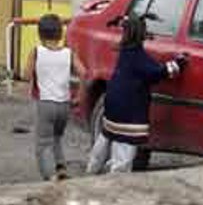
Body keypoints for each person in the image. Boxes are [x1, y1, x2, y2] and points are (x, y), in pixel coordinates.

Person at [86, 14, 185, 175]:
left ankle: (90, 172)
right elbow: (157, 72)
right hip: (129, 114)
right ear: (141, 35)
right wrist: (177, 64)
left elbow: (148, 66)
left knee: (104, 142)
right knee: (123, 153)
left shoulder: (125, 52)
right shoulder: (139, 57)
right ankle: (116, 183)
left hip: (112, 107)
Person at [25, 13, 86, 181]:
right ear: (60, 33)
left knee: (43, 143)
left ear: (40, 34)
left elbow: (26, 75)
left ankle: (50, 176)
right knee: (57, 138)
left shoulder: (36, 52)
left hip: (45, 104)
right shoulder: (69, 53)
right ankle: (61, 168)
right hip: (64, 105)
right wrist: (79, 95)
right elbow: (83, 73)